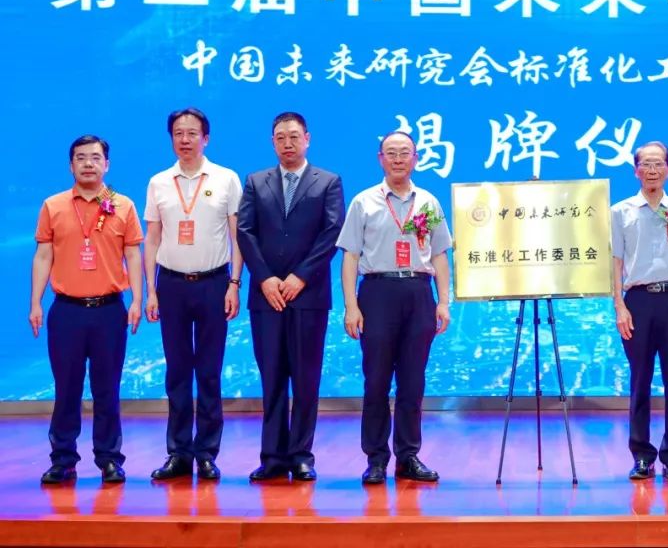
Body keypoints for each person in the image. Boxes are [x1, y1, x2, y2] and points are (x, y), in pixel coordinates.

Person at [336, 131, 452, 485]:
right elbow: (350, 257)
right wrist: (351, 306)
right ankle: (375, 458)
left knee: (412, 381)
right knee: (376, 381)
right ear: (380, 159)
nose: (398, 159)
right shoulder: (364, 202)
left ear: (416, 158)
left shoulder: (428, 202)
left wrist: (443, 301)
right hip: (377, 293)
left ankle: (408, 456)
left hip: (418, 292)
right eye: (391, 153)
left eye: (404, 153)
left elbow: (439, 254)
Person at [237, 112, 345, 482]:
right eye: (281, 137)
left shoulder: (328, 181)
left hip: (308, 296)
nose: (288, 143)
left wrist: (300, 276)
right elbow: (245, 232)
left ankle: (301, 456)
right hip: (266, 297)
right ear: (272, 142)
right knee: (272, 378)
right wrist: (265, 279)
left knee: (305, 379)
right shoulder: (256, 181)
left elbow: (332, 232)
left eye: (294, 136)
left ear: (307, 139)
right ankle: (272, 457)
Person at [30, 135, 144, 484]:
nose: (88, 164)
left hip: (109, 311)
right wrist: (35, 302)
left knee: (107, 388)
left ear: (106, 164)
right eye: (81, 158)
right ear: (71, 165)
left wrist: (137, 300)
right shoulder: (53, 205)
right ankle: (63, 459)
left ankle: (109, 459)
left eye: (95, 157)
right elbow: (44, 255)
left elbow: (133, 254)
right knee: (66, 388)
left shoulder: (122, 205)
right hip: (66, 311)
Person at [143, 108, 243, 481]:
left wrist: (234, 283)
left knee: (210, 371)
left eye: (192, 133)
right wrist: (150, 290)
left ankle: (207, 453)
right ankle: (179, 453)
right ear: (171, 138)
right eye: (178, 133)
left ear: (206, 138)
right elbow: (152, 239)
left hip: (214, 283)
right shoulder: (158, 182)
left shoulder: (226, 179)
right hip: (170, 285)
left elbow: (237, 236)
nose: (185, 139)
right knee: (177, 371)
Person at [611, 141, 668, 481]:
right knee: (639, 380)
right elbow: (615, 262)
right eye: (646, 164)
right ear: (636, 171)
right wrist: (620, 306)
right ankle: (641, 455)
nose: (652, 170)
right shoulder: (620, 212)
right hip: (637, 301)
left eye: (658, 164)